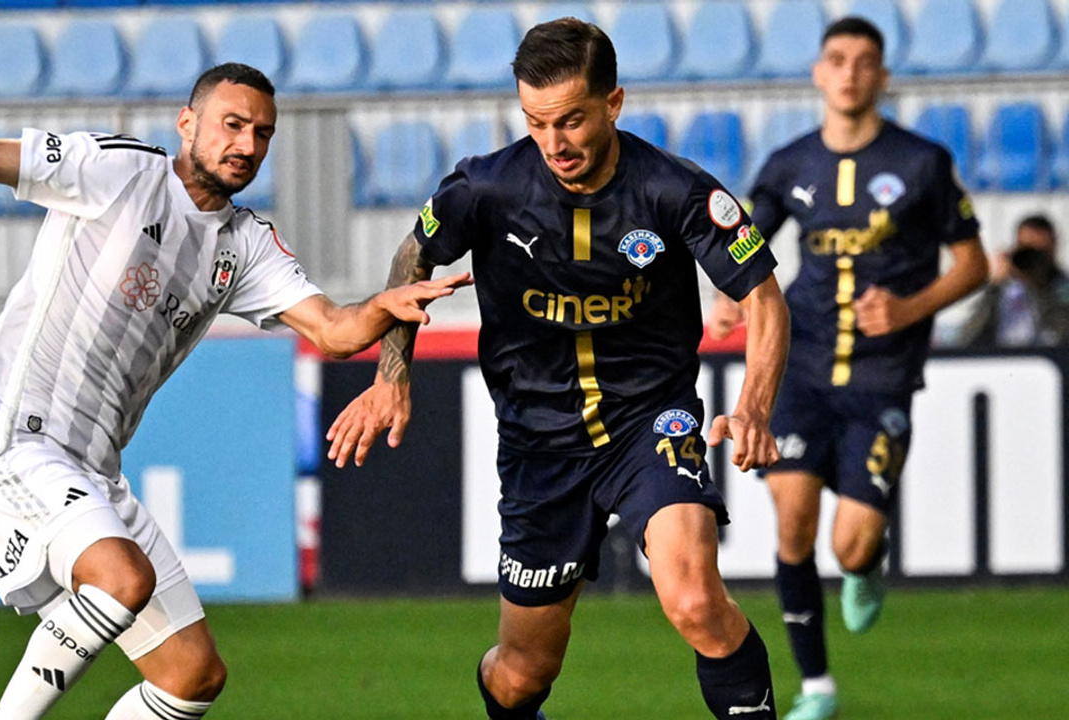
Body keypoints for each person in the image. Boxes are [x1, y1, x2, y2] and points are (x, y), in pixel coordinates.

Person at [0, 63, 470, 720]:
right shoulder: (117, 170)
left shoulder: (246, 244)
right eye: (232, 125)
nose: (246, 145)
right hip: (18, 438)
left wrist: (386, 304)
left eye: (262, 134)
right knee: (123, 580)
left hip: (92, 468)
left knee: (191, 674)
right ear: (188, 123)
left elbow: (335, 330)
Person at [327, 19, 791, 720]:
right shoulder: (488, 187)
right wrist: (392, 373)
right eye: (536, 123)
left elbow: (762, 295)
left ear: (613, 103)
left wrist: (754, 406)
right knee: (521, 673)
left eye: (570, 120)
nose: (554, 143)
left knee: (696, 600)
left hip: (650, 423)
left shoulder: (673, 190)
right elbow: (411, 257)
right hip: (537, 444)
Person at [709, 17, 988, 720]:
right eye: (838, 59)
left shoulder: (921, 163)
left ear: (882, 76)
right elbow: (744, 246)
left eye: (865, 62)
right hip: (800, 369)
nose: (851, 72)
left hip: (881, 378)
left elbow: (975, 264)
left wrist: (909, 307)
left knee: (849, 541)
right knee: (793, 521)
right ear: (818, 73)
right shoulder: (788, 163)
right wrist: (728, 302)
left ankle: (867, 563)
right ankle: (818, 689)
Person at [958, 214, 1069, 347]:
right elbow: (967, 338)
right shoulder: (1003, 289)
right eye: (1026, 249)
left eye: (1039, 252)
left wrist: (1039, 286)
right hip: (1007, 362)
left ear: (1054, 247)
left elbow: (1061, 333)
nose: (1033, 259)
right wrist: (995, 287)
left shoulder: (1063, 286)